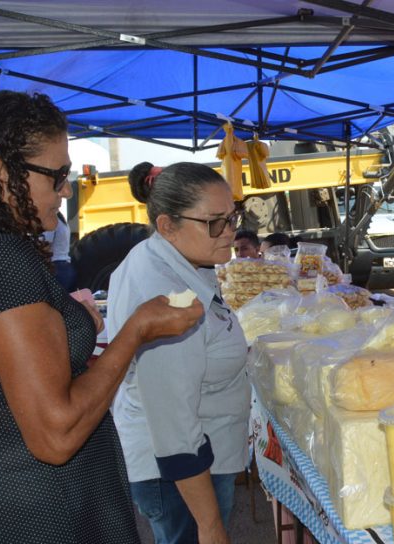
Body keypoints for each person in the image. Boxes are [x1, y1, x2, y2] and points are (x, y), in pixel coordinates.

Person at [0, 91, 203, 543]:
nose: (66, 191)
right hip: (40, 512)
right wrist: (135, 331)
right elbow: (56, 435)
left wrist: (71, 322)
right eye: (57, 176)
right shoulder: (1, 259)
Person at [107, 161, 250, 544]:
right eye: (214, 223)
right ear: (168, 226)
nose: (230, 232)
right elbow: (174, 430)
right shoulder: (165, 295)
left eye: (233, 217)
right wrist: (210, 524)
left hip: (195, 460)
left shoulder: (178, 258)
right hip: (181, 475)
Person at [43, 211, 77, 290]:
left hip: (56, 267)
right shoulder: (62, 221)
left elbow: (46, 245)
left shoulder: (52, 221)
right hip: (66, 266)